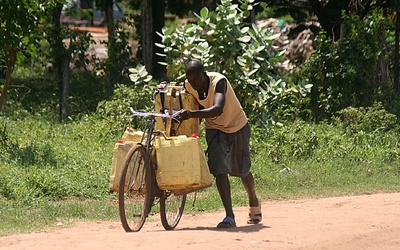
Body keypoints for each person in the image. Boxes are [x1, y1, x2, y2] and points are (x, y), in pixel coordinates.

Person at [178, 60, 262, 228]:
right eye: (190, 80)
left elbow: (217, 109)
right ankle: (229, 216)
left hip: (237, 125)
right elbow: (190, 103)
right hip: (215, 128)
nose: (194, 84)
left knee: (242, 170)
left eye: (197, 79)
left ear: (204, 74)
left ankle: (254, 201)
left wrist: (191, 115)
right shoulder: (189, 86)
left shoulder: (219, 82)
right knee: (220, 170)